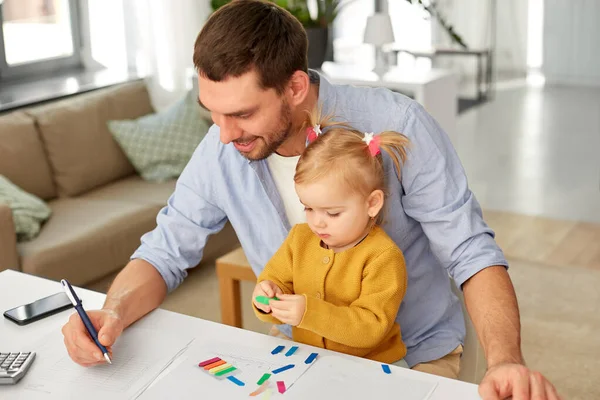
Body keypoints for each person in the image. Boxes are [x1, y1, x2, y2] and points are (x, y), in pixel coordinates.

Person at [61, 1, 560, 398]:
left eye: (241, 113)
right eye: (211, 112)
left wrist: (506, 360)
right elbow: (164, 250)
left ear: (295, 87)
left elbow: (471, 252)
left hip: (412, 352)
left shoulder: (398, 124)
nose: (223, 134)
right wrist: (114, 312)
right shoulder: (222, 148)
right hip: (302, 353)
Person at [252, 112, 410, 367]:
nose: (317, 222)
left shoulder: (383, 257)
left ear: (372, 203)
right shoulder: (299, 239)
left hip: (374, 367)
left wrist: (309, 312)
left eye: (333, 212)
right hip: (311, 360)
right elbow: (275, 279)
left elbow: (371, 327)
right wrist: (268, 295)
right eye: (308, 208)